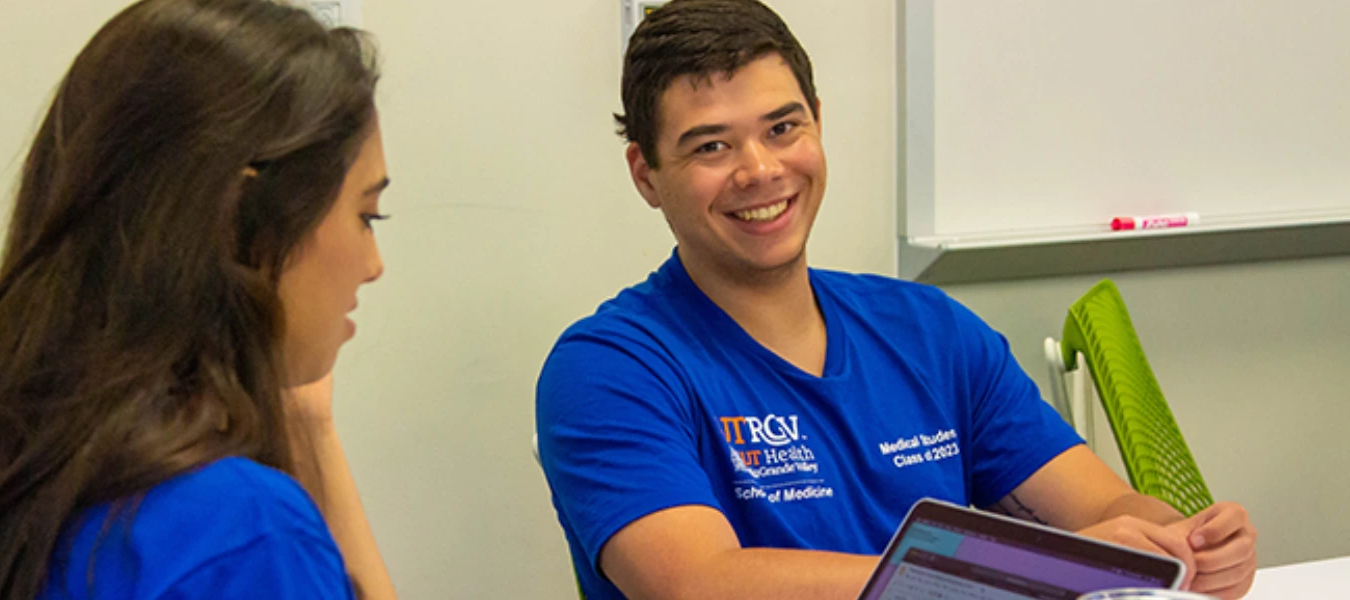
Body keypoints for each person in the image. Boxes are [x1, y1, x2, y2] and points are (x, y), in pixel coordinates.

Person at [534, 1, 1257, 599]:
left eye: (783, 128)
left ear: (818, 122)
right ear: (646, 174)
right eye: (711, 147)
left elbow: (1102, 507)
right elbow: (700, 584)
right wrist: (1032, 569)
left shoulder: (929, 331)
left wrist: (1178, 542)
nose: (760, 170)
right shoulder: (608, 369)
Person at [0, 1, 397, 598]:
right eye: (366, 216)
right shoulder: (244, 532)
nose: (373, 266)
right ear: (245, 219)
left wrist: (310, 422)